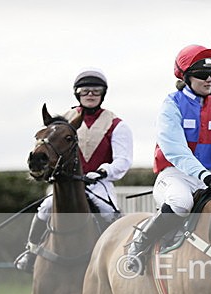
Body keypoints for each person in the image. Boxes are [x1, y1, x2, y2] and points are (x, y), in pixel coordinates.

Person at [122, 44, 211, 275]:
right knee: (181, 202)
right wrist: (206, 177)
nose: (209, 79)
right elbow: (176, 150)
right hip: (174, 176)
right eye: (202, 75)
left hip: (207, 179)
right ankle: (139, 245)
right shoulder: (171, 104)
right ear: (186, 77)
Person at [14, 67, 134, 272]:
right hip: (67, 182)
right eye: (85, 91)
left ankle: (118, 259)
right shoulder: (62, 122)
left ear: (102, 94)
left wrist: (103, 172)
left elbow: (123, 161)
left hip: (98, 184)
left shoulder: (116, 124)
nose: (90, 95)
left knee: (110, 213)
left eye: (95, 91)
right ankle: (31, 251)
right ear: (77, 93)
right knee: (44, 208)